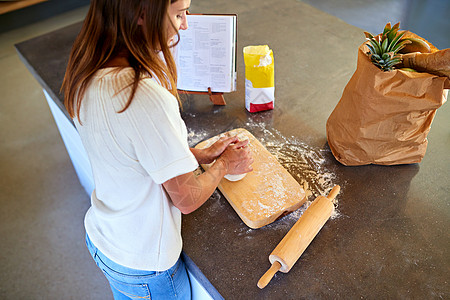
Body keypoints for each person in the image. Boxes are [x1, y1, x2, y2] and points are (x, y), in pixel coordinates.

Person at [61, 0, 253, 299]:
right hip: (145, 264)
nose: (185, 24)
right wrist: (225, 164)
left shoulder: (87, 69)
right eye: (178, 14)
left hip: (106, 238)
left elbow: (131, 151)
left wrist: (195, 155)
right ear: (142, 15)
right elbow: (186, 199)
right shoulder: (142, 96)